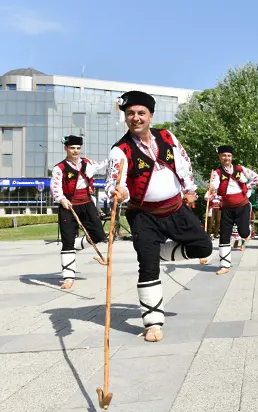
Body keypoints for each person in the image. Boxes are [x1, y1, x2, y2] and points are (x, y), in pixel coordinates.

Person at [105, 90, 213, 342]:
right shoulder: (119, 151)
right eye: (130, 113)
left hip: (175, 209)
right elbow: (112, 182)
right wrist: (118, 191)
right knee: (148, 267)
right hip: (144, 215)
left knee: (203, 247)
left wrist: (189, 189)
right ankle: (152, 323)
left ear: (151, 115)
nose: (136, 118)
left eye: (141, 113)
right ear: (125, 117)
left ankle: (161, 252)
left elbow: (183, 163)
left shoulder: (167, 136)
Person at [51, 135, 108, 290]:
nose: (75, 151)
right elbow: (55, 188)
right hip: (68, 206)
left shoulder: (88, 163)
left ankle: (73, 246)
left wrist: (117, 158)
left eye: (77, 148)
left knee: (98, 235)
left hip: (87, 204)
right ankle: (68, 277)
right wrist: (61, 199)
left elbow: (103, 165)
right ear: (66, 149)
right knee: (67, 240)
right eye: (72, 148)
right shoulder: (60, 168)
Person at [208, 145, 258, 273]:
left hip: (242, 206)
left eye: (229, 155)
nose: (226, 158)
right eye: (224, 155)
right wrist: (212, 186)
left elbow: (257, 178)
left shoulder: (240, 169)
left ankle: (247, 229)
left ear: (231, 157)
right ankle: (224, 265)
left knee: (244, 233)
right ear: (220, 157)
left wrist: (247, 188)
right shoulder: (217, 172)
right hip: (227, 208)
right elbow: (214, 185)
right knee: (224, 236)